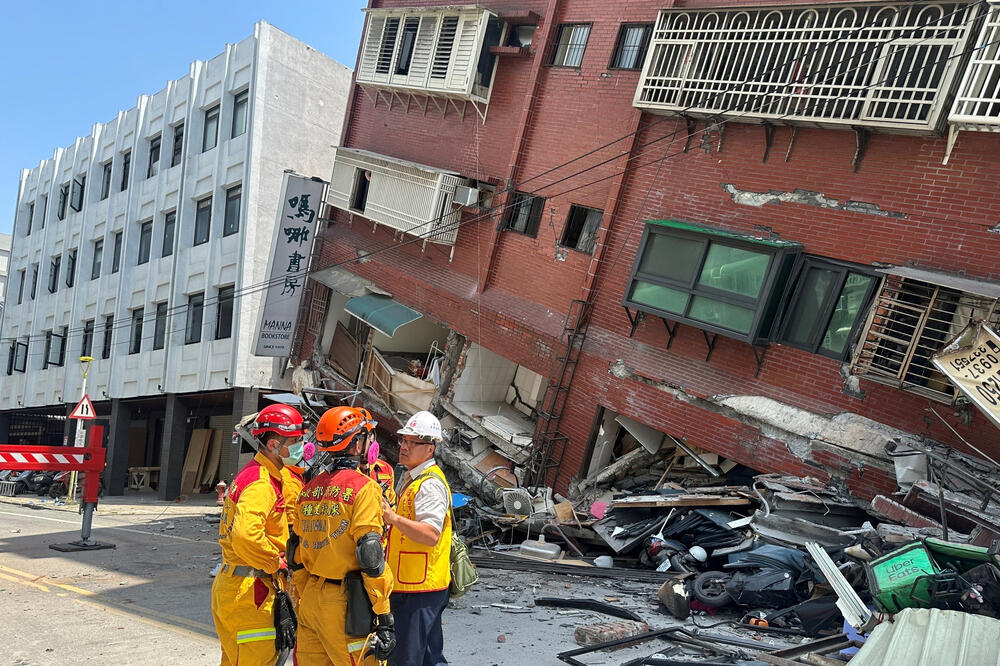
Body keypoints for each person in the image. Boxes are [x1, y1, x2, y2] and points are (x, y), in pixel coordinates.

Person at [294, 406, 395, 665]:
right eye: (367, 436)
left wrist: (306, 592)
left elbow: (295, 550)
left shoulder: (309, 489)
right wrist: (384, 614)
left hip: (311, 598)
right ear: (357, 443)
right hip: (346, 605)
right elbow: (370, 554)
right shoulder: (365, 488)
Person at [211, 404, 306, 666]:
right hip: (250, 592)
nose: (300, 447)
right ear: (273, 444)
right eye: (295, 441)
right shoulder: (261, 482)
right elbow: (245, 536)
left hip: (239, 586)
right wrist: (276, 562)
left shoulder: (257, 474)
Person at [382, 410, 452, 666]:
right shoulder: (413, 477)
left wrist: (393, 519)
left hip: (418, 588)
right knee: (429, 657)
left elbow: (431, 534)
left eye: (413, 442)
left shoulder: (429, 485)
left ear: (430, 449)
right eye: (404, 440)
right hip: (416, 585)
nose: (404, 447)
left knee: (407, 658)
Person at [356, 408, 397, 507]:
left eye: (371, 435)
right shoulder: (341, 473)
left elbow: (392, 504)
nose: (370, 440)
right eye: (363, 437)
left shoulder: (385, 469)